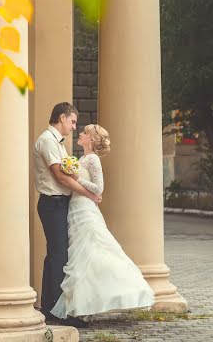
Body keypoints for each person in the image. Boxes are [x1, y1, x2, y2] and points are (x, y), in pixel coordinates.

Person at [51, 124, 155, 320]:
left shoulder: (93, 159)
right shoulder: (82, 158)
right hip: (75, 209)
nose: (79, 134)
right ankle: (87, 304)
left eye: (83, 133)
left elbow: (99, 189)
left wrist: (76, 178)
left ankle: (105, 298)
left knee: (91, 251)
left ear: (90, 139)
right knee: (81, 255)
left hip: (86, 211)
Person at [34, 103, 102, 328]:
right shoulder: (47, 140)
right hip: (52, 204)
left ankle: (51, 307)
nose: (74, 126)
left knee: (56, 255)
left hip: (61, 203)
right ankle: (57, 312)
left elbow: (67, 174)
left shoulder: (58, 144)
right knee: (58, 256)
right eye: (72, 121)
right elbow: (60, 177)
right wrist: (90, 194)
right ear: (61, 117)